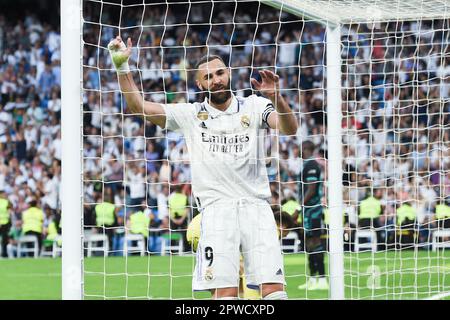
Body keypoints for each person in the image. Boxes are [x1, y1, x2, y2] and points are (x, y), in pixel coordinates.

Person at [108, 36, 298, 300]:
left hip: (256, 207)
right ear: (200, 83)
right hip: (216, 212)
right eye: (208, 77)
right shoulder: (190, 114)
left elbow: (290, 128)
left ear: (229, 73)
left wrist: (277, 98)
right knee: (225, 293)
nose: (216, 80)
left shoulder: (254, 106)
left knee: (274, 290)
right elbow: (138, 106)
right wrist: (122, 67)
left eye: (220, 73)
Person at [187, 210, 295, 299]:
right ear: (283, 226)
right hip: (210, 228)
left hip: (198, 226)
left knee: (228, 278)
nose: (284, 236)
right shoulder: (271, 228)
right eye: (286, 232)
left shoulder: (256, 218)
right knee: (242, 272)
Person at [297, 140, 328, 291]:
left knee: (316, 243)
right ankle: (313, 278)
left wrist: (299, 205)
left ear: (306, 148)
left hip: (313, 211)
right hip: (308, 211)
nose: (299, 151)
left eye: (301, 148)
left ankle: (322, 278)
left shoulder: (311, 165)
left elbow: (311, 188)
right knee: (309, 244)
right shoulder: (307, 165)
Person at [0, 190, 12, 258]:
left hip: (4, 222)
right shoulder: (6, 202)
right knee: (4, 239)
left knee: (4, 239)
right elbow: (9, 212)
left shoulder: (6, 201)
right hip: (5, 222)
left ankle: (4, 254)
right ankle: (4, 254)